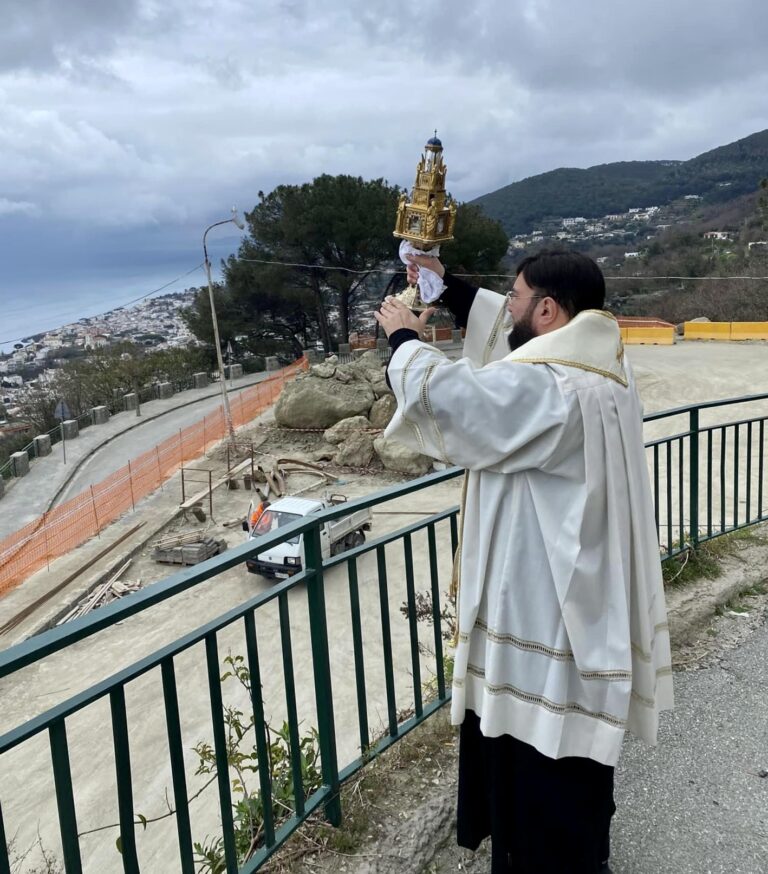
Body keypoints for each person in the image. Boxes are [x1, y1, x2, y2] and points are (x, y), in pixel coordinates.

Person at [374, 250, 673, 874]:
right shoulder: (603, 360)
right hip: (586, 594)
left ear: (547, 309)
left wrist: (403, 337)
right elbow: (510, 354)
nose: (505, 306)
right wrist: (451, 289)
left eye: (515, 296)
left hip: (545, 611)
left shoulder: (556, 387)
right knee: (573, 780)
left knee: (542, 771)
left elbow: (464, 402)